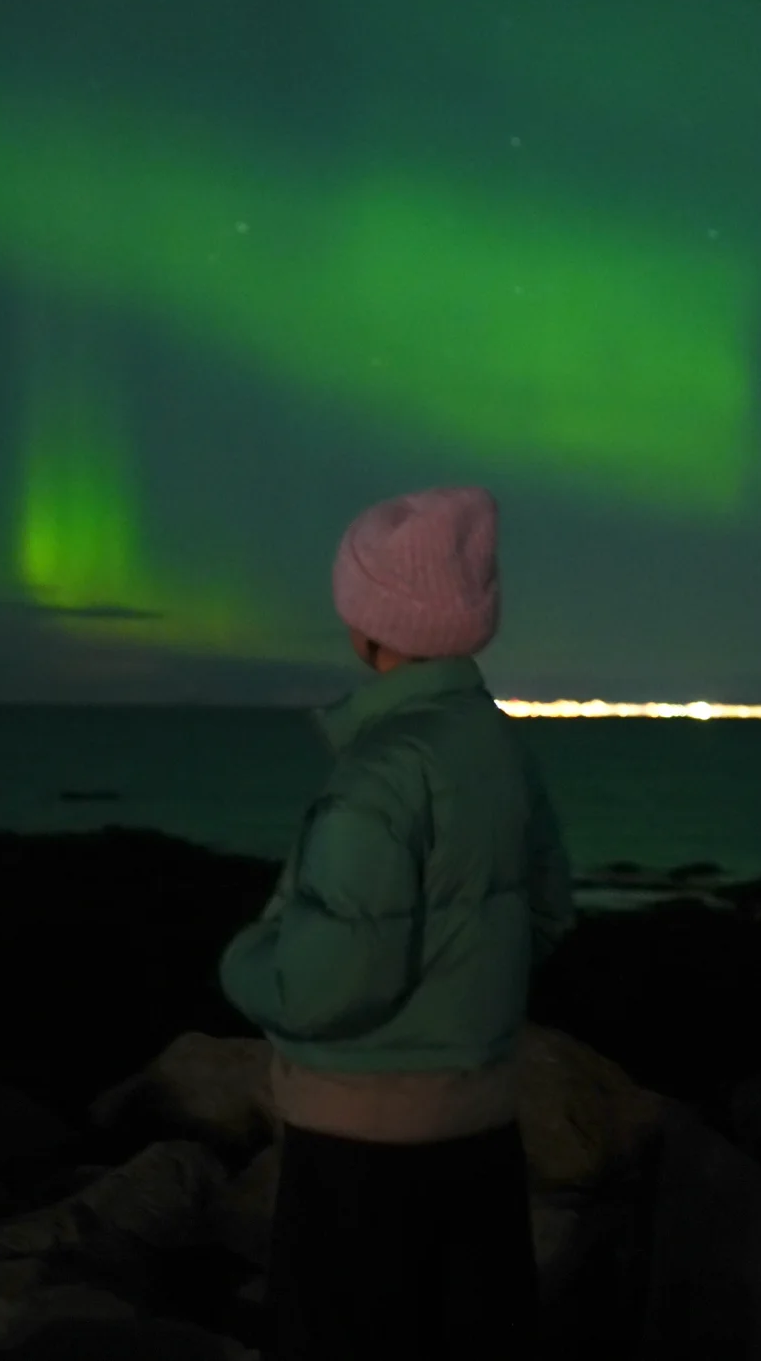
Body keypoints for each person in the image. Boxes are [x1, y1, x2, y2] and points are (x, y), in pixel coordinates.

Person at [217, 485, 576, 1361]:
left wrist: (244, 959)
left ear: (367, 622)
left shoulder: (376, 777)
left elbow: (331, 981)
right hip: (480, 1126)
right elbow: (549, 913)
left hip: (358, 1147)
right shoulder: (497, 747)